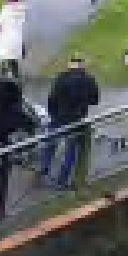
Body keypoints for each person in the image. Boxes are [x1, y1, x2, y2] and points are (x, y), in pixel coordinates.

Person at [40, 55, 101, 189]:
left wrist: (52, 112)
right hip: (77, 119)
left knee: (50, 144)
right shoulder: (89, 79)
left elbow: (52, 98)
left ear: (70, 64)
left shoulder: (61, 77)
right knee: (70, 150)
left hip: (58, 116)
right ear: (82, 65)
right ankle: (62, 181)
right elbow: (95, 100)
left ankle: (43, 169)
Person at [0, 74, 33, 190]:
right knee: (3, 139)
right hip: (1, 122)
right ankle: (4, 159)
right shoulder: (10, 94)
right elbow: (17, 111)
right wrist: (27, 122)